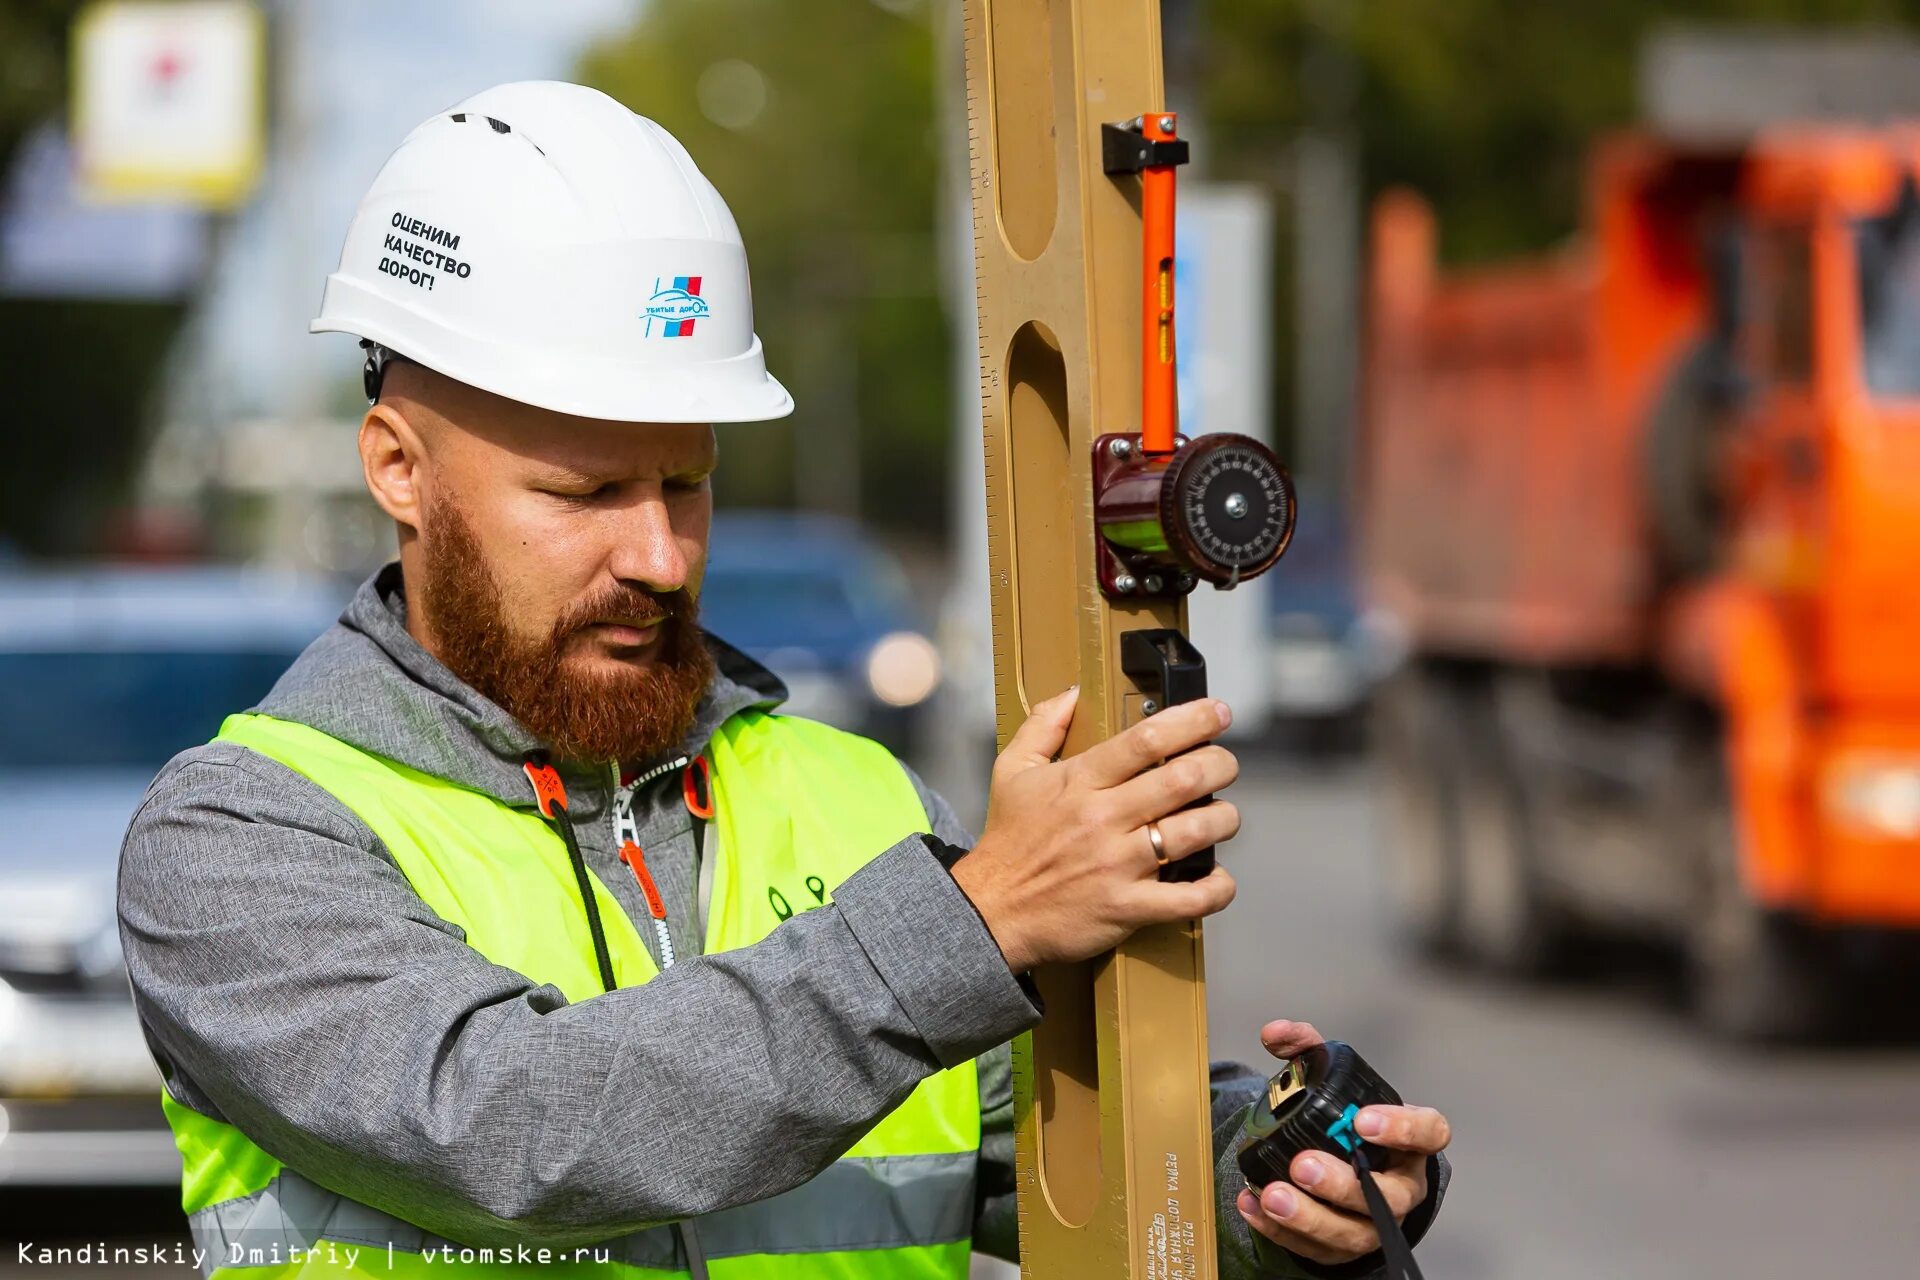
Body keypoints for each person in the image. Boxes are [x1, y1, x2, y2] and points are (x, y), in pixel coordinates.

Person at [117, 82, 1450, 1280]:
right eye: (582, 494)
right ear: (399, 470)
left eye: (687, 485)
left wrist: (1269, 1181)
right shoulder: (239, 835)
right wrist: (972, 926)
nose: (657, 554)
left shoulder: (854, 796)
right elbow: (510, 1127)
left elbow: (1042, 1166)